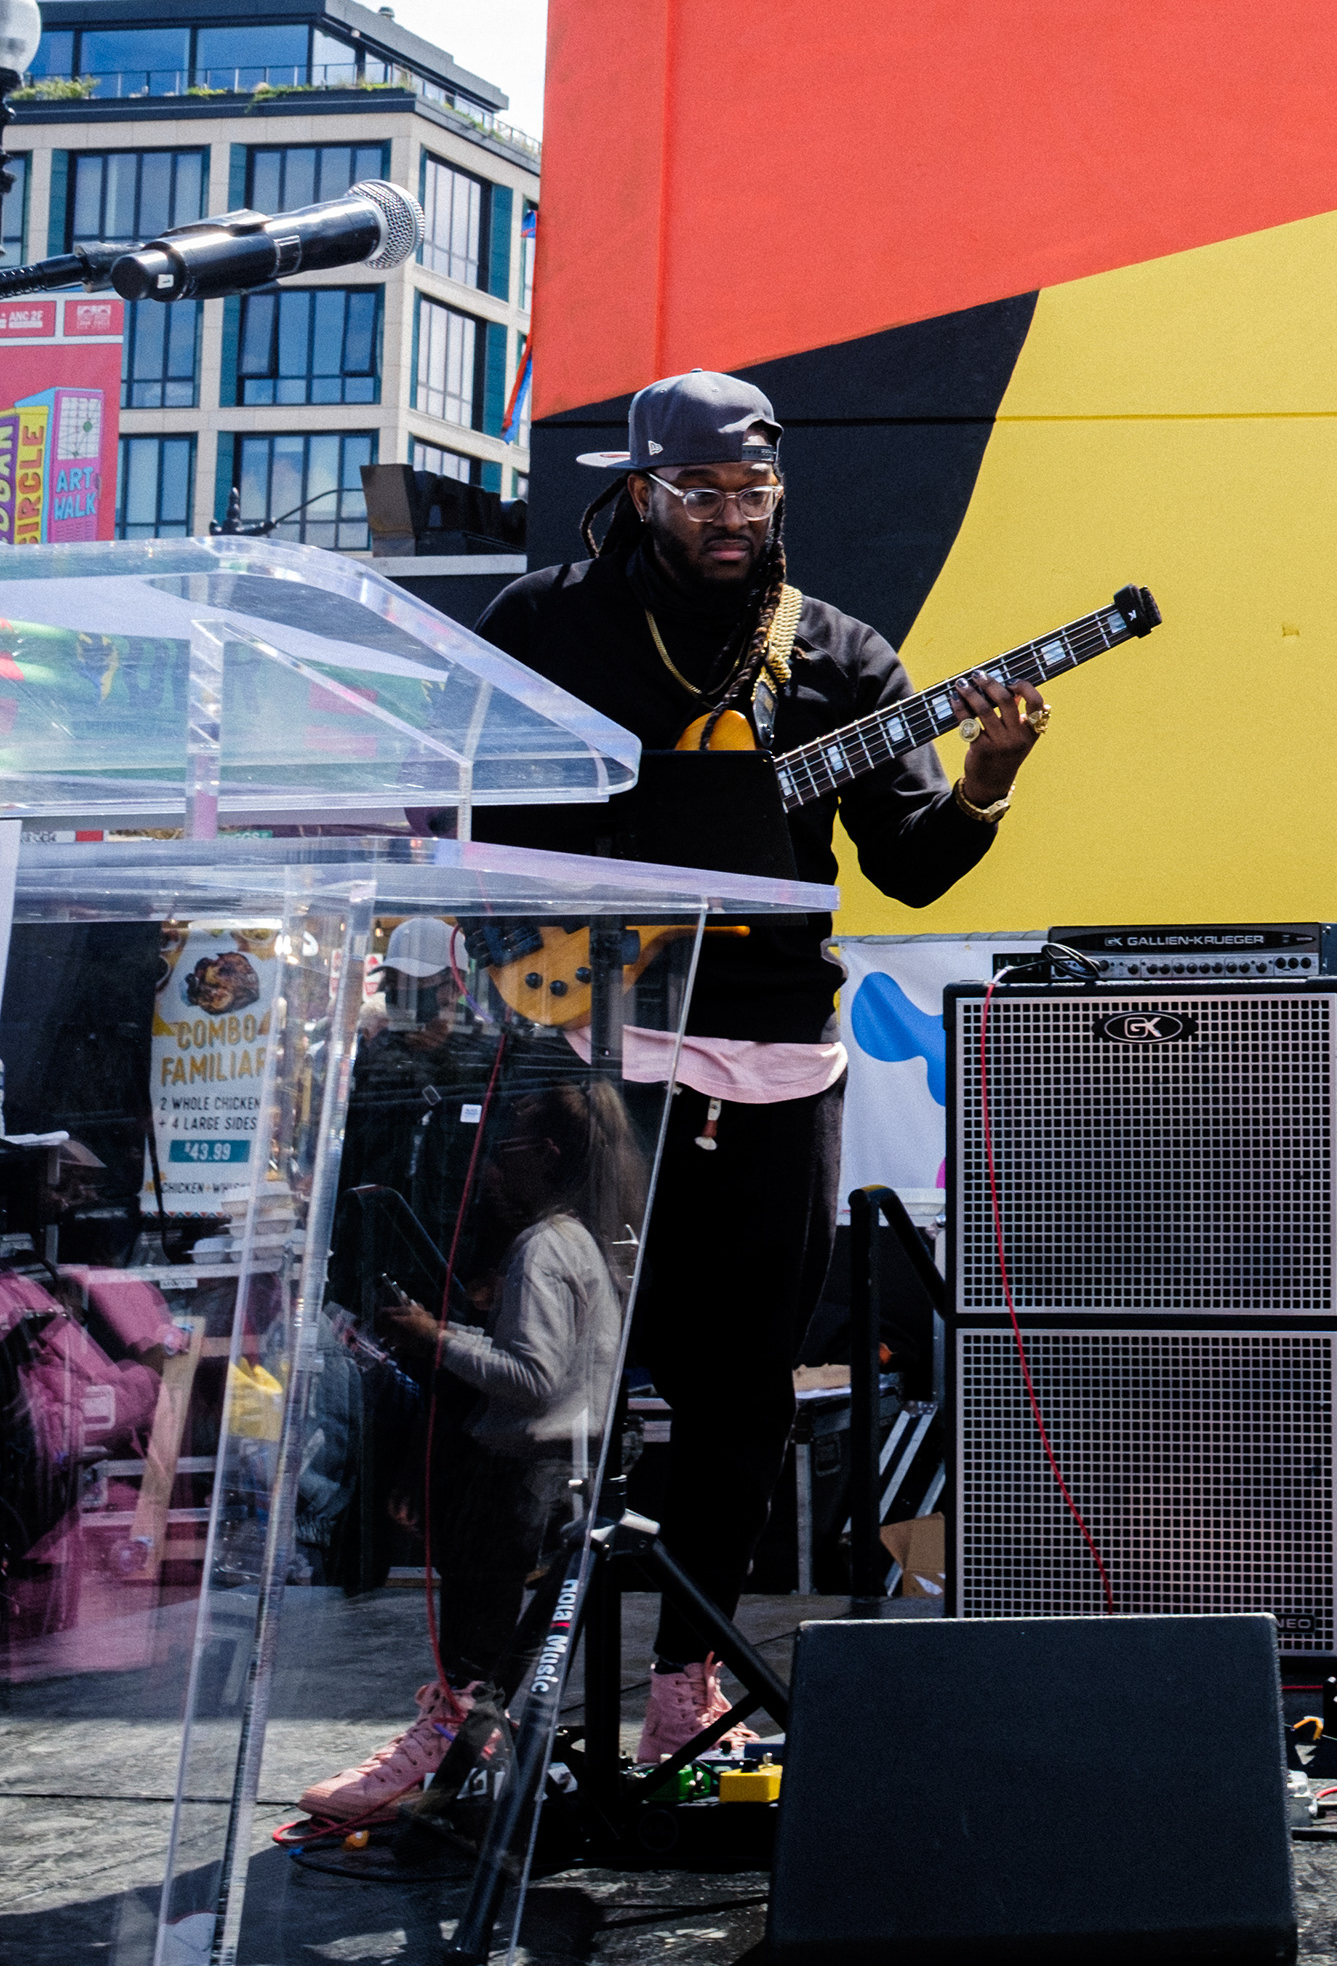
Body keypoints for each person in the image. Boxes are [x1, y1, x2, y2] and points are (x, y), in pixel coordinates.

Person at [473, 370, 1046, 1762]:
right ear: (640, 492)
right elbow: (480, 813)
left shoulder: (839, 655)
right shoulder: (545, 625)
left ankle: (687, 1689)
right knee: (539, 1389)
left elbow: (910, 868)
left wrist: (987, 773)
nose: (733, 516)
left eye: (754, 491)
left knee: (738, 1394)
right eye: (702, 493)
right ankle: (472, 1706)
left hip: (779, 1065)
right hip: (598, 1049)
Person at [299, 1080, 646, 1822]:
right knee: (496, 1656)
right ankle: (461, 1760)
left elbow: (533, 1379)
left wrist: (435, 1339)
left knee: (475, 1659)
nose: (488, 1167)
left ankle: (442, 1755)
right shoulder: (588, 1239)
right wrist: (452, 1334)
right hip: (561, 1471)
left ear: (545, 1154)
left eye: (503, 1148)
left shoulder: (544, 1246)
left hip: (519, 1478)